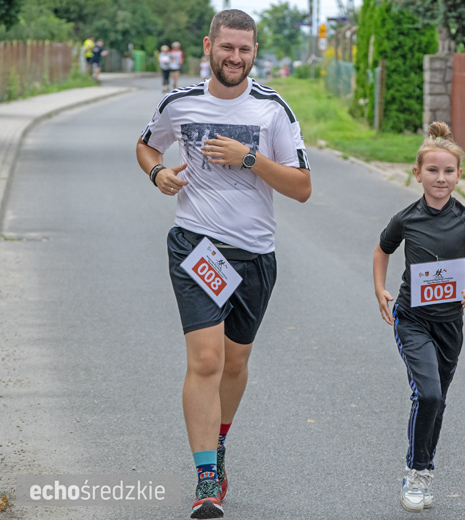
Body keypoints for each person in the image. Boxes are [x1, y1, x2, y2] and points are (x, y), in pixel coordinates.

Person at [135, 9, 311, 519]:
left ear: (254, 53)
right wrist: (158, 174)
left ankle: (219, 441)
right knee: (207, 360)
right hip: (197, 245)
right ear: (208, 47)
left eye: (244, 49)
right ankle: (206, 477)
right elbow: (146, 146)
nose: (235, 57)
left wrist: (249, 158)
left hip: (255, 253)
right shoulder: (180, 102)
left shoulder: (273, 110)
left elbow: (302, 187)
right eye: (227, 47)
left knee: (234, 363)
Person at [372, 122, 465, 513]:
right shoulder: (406, 218)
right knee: (427, 394)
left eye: (448, 171)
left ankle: (425, 470)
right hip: (411, 319)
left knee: (438, 401)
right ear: (417, 174)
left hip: (449, 326)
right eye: (432, 170)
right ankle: (416, 472)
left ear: (459, 175)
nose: (440, 178)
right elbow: (382, 251)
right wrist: (379, 289)